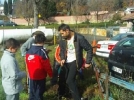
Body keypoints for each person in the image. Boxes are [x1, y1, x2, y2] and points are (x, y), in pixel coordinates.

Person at [58, 24, 93, 100]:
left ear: (67, 30)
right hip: (66, 62)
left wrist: (87, 62)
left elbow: (89, 49)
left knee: (70, 80)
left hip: (75, 61)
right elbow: (62, 50)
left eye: (62, 33)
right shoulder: (63, 39)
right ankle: (66, 95)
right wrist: (62, 58)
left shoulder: (79, 38)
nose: (62, 35)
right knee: (64, 79)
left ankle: (77, 98)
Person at [25, 33, 53, 100]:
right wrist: (51, 75)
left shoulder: (28, 51)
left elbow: (27, 63)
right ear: (43, 41)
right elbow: (47, 65)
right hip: (41, 76)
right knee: (39, 92)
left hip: (32, 75)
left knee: (32, 92)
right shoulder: (42, 52)